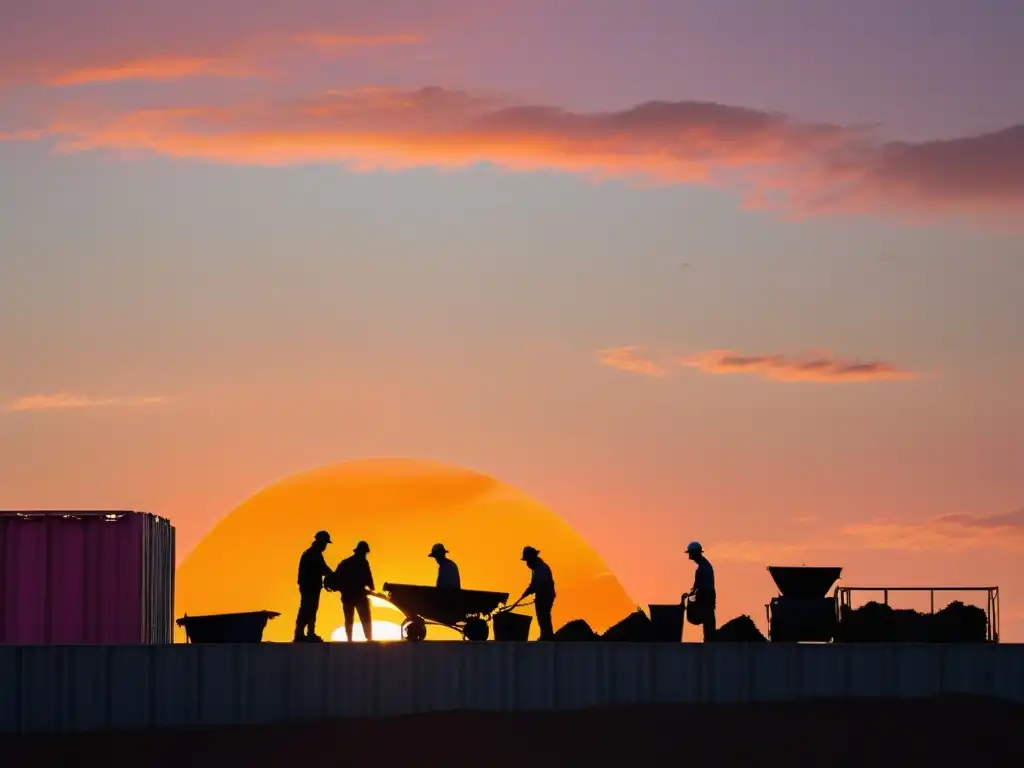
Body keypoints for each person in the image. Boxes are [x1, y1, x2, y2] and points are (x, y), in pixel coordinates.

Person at [294, 530, 333, 642]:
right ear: (321, 542)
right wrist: (332, 575)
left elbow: (323, 568)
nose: (325, 546)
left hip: (312, 587)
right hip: (309, 587)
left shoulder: (313, 553)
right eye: (325, 543)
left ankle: (306, 633)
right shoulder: (313, 554)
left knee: (310, 609)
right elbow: (323, 568)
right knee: (307, 609)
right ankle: (302, 634)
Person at [334, 540, 375, 641]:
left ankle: (349, 639)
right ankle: (369, 638)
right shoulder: (363, 563)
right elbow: (369, 580)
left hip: (347, 597)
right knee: (365, 618)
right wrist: (372, 589)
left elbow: (336, 577)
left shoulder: (345, 563)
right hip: (359, 596)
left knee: (349, 619)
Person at [518, 546, 556, 640]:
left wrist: (531, 590)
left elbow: (539, 584)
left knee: (543, 616)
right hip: (542, 595)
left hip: (545, 595)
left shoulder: (541, 569)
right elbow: (533, 583)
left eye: (528, 560)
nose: (527, 563)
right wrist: (527, 592)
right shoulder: (536, 568)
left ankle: (547, 636)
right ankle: (546, 635)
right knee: (542, 616)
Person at [683, 541, 716, 641]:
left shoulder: (703, 567)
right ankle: (708, 639)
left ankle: (709, 641)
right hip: (706, 597)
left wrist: (691, 595)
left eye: (690, 553)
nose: (689, 556)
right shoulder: (703, 565)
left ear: (695, 553)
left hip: (706, 597)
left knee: (707, 619)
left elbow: (700, 585)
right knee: (708, 621)